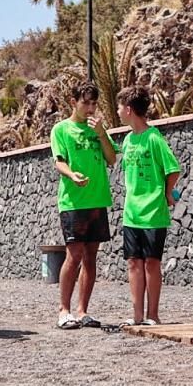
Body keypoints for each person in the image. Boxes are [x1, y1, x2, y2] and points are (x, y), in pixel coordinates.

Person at [50, 81, 115, 330]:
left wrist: (101, 133)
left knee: (91, 257)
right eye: (85, 103)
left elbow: (111, 159)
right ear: (73, 102)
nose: (90, 108)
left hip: (98, 200)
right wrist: (71, 175)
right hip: (73, 201)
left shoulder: (98, 129)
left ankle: (82, 310)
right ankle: (63, 310)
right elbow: (59, 161)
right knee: (73, 254)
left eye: (93, 103)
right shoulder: (61, 129)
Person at [117, 86, 181, 326]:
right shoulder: (127, 140)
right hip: (131, 213)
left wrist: (166, 193)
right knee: (133, 263)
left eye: (120, 106)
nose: (118, 111)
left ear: (129, 109)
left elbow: (173, 169)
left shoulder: (154, 138)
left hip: (153, 212)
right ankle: (137, 316)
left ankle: (153, 315)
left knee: (152, 263)